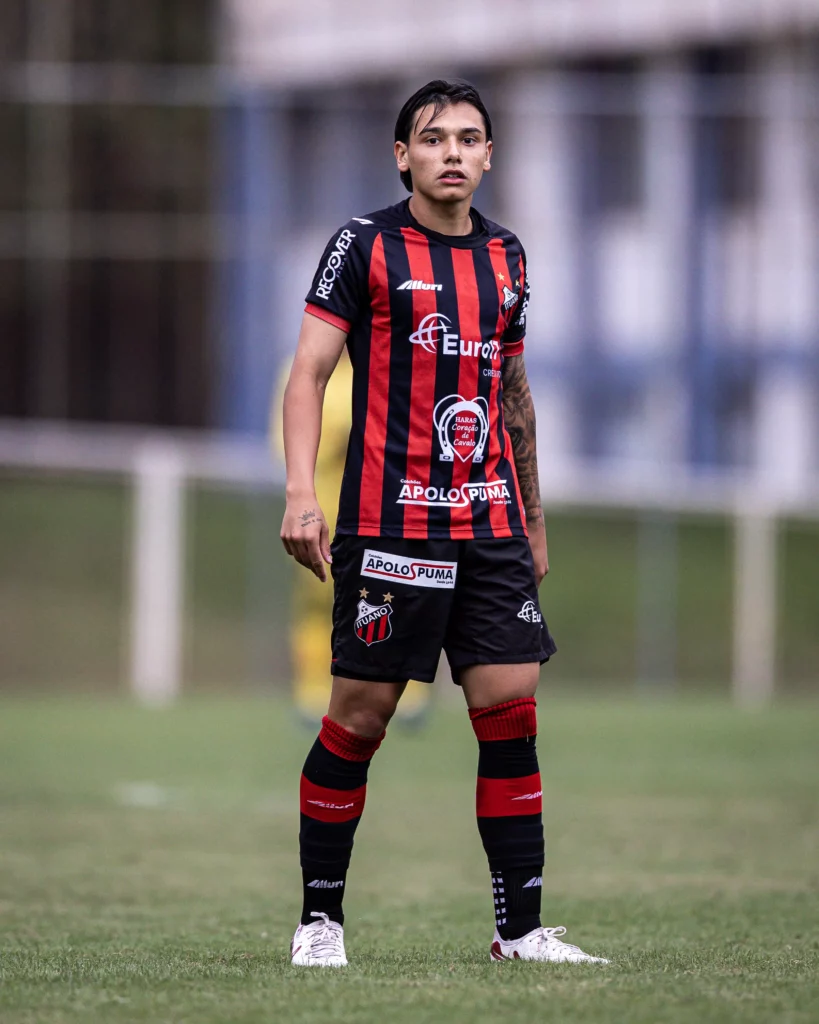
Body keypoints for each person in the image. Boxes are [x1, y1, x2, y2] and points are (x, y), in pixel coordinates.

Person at [280, 79, 608, 967]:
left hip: (490, 523)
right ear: (403, 155)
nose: (452, 152)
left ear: (489, 155)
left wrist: (532, 520)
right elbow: (308, 373)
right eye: (433, 138)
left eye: (468, 138)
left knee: (510, 714)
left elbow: (512, 393)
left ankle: (520, 931)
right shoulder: (364, 244)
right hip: (391, 526)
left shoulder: (508, 257)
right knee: (360, 717)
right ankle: (320, 922)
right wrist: (300, 493)